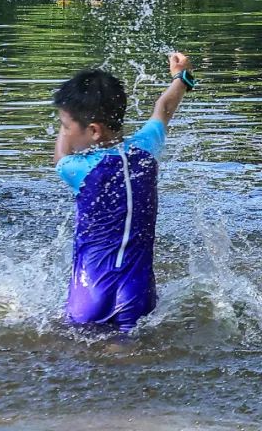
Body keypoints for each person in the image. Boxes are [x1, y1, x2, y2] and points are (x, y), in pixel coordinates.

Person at [52, 53, 196, 332]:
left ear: (94, 130)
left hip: (89, 291)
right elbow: (163, 108)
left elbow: (59, 158)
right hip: (138, 291)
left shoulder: (76, 168)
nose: (65, 132)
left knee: (80, 351)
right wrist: (181, 77)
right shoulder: (147, 148)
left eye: (66, 126)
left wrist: (64, 126)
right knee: (129, 350)